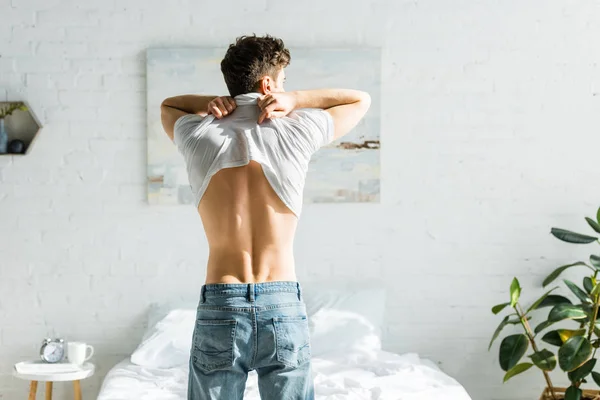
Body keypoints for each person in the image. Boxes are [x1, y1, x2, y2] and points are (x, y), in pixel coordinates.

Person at [160, 34, 371, 400]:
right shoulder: (298, 128)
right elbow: (359, 100)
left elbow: (169, 106)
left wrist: (211, 105)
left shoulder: (199, 133)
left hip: (222, 300)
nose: (287, 91)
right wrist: (295, 100)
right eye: (284, 82)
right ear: (268, 84)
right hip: (282, 301)